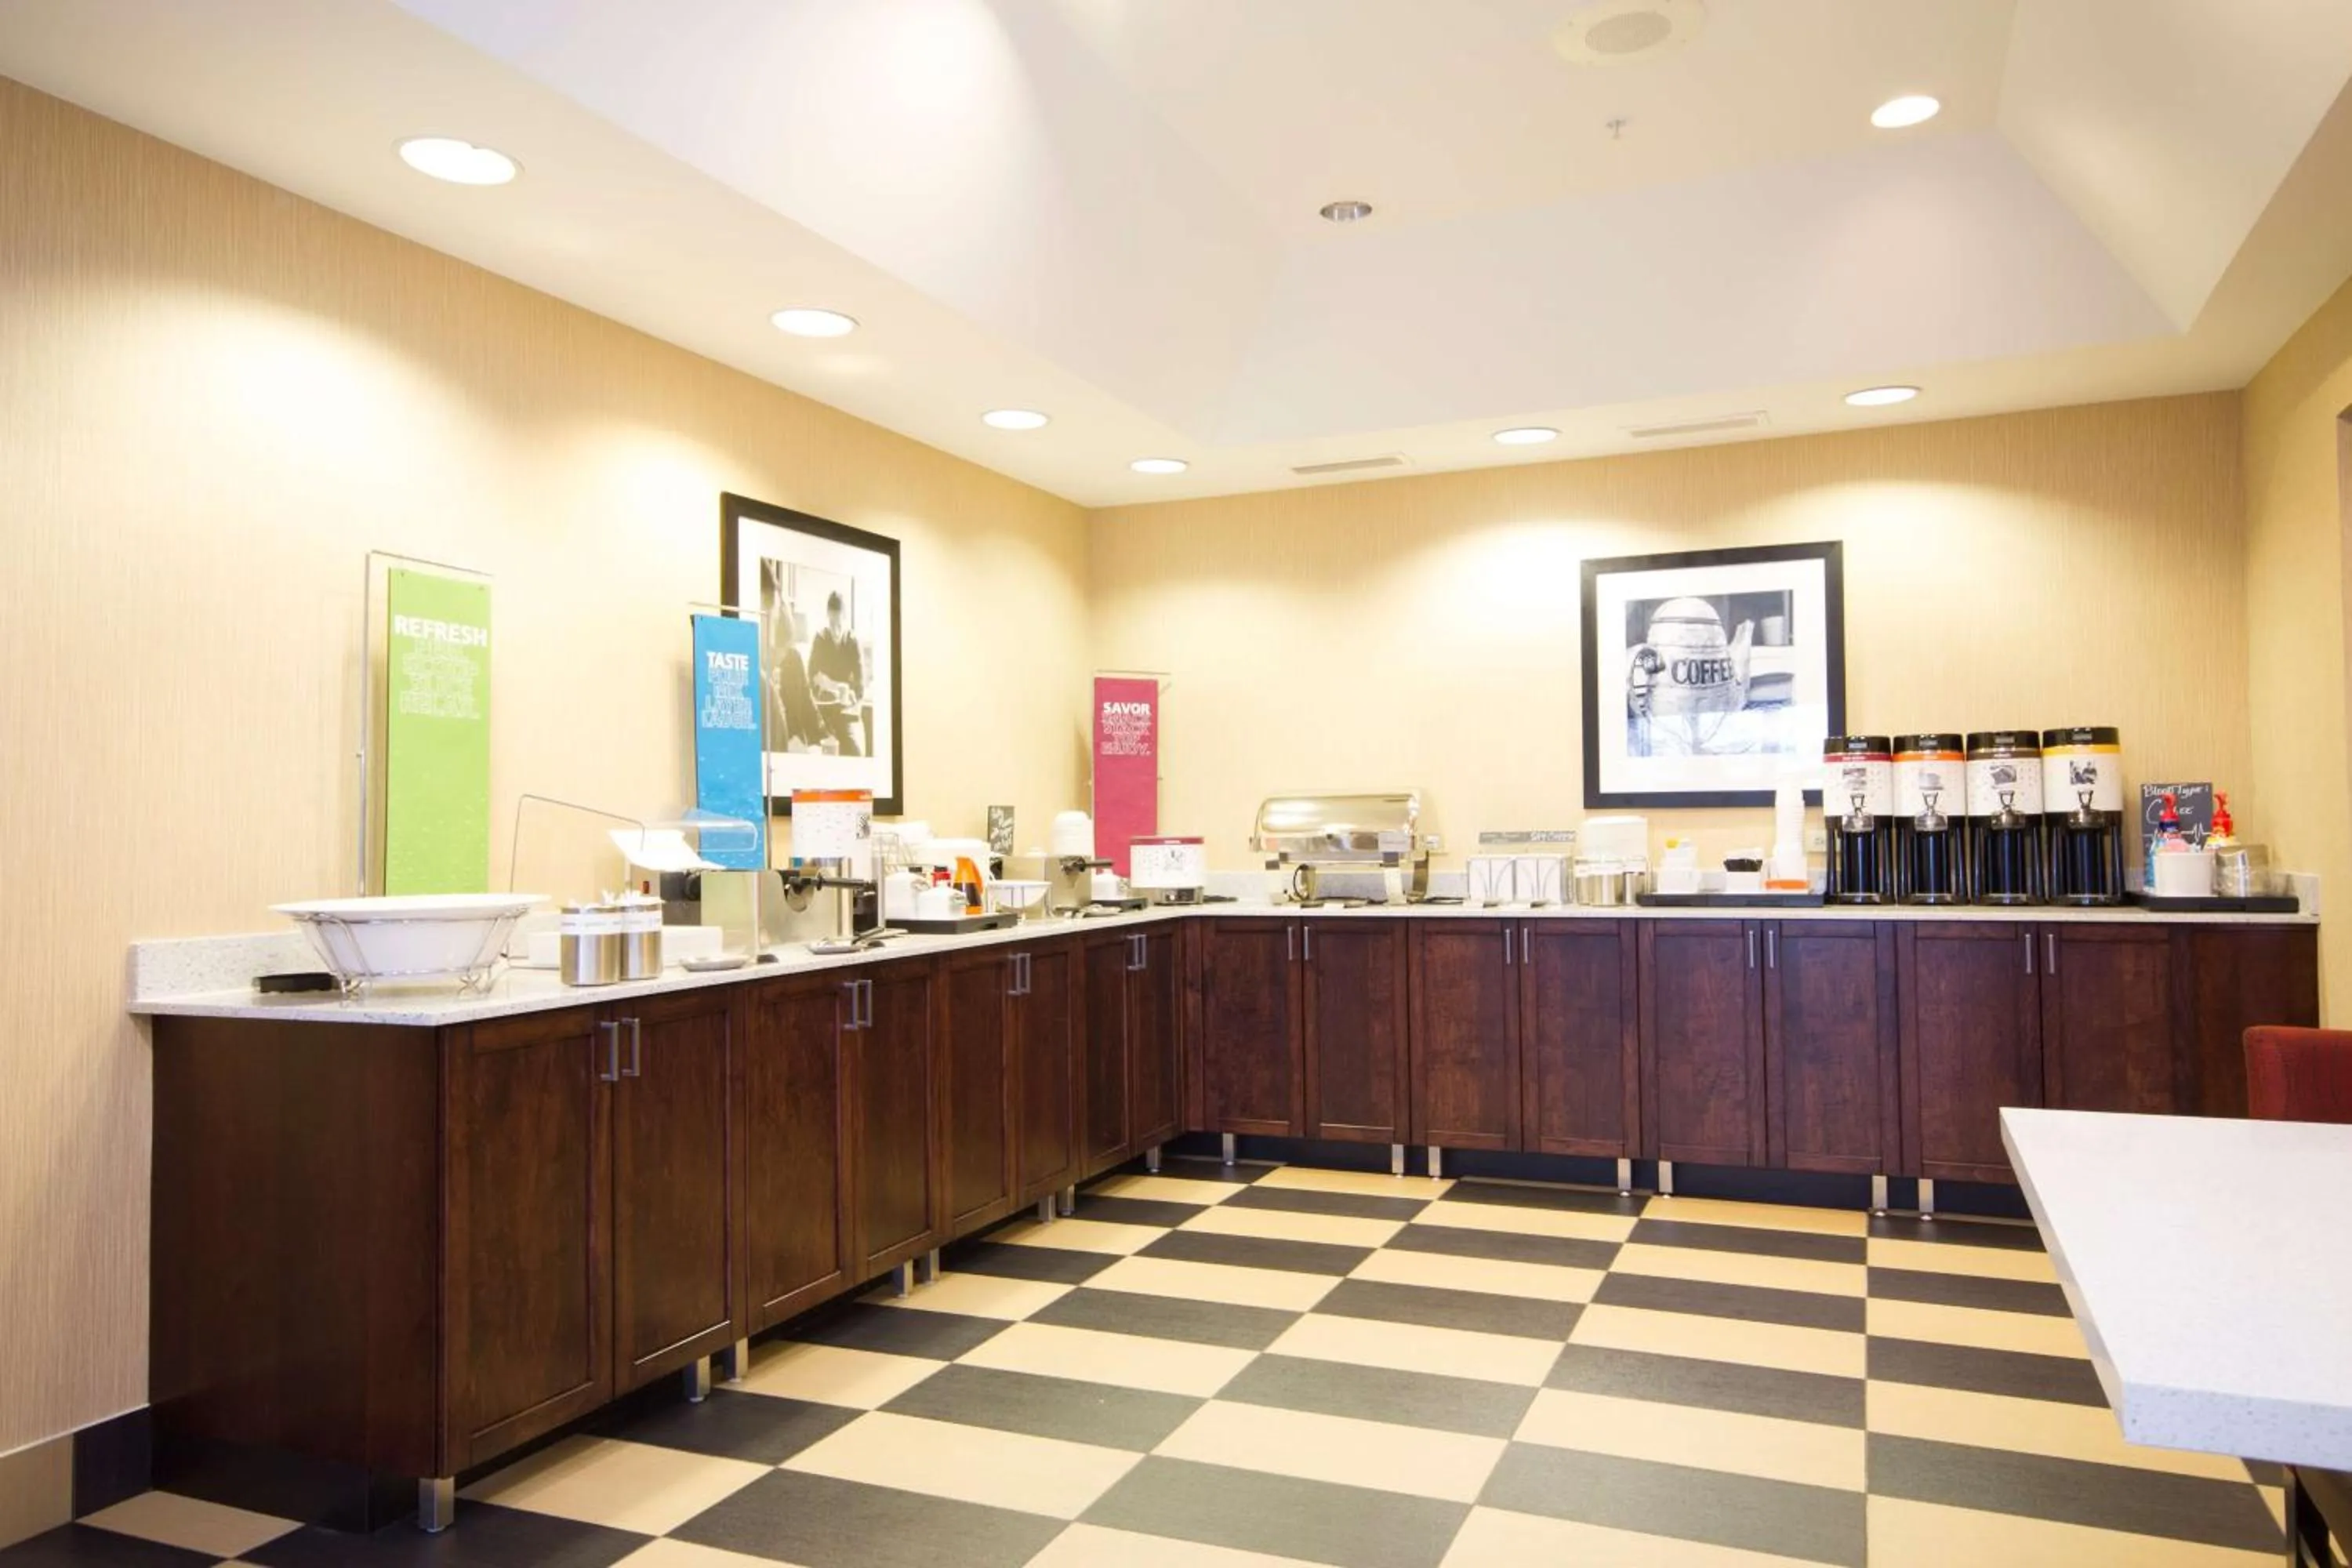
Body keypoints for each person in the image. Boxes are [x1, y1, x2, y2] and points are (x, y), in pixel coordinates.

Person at [807, 591, 866, 757]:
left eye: (838, 620)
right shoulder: (820, 638)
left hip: (845, 711)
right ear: (828, 615)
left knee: (855, 752)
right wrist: (823, 683)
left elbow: (860, 681)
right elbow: (810, 674)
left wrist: (853, 692)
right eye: (832, 619)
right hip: (823, 709)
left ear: (844, 616)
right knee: (817, 751)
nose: (835, 628)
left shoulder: (852, 641)